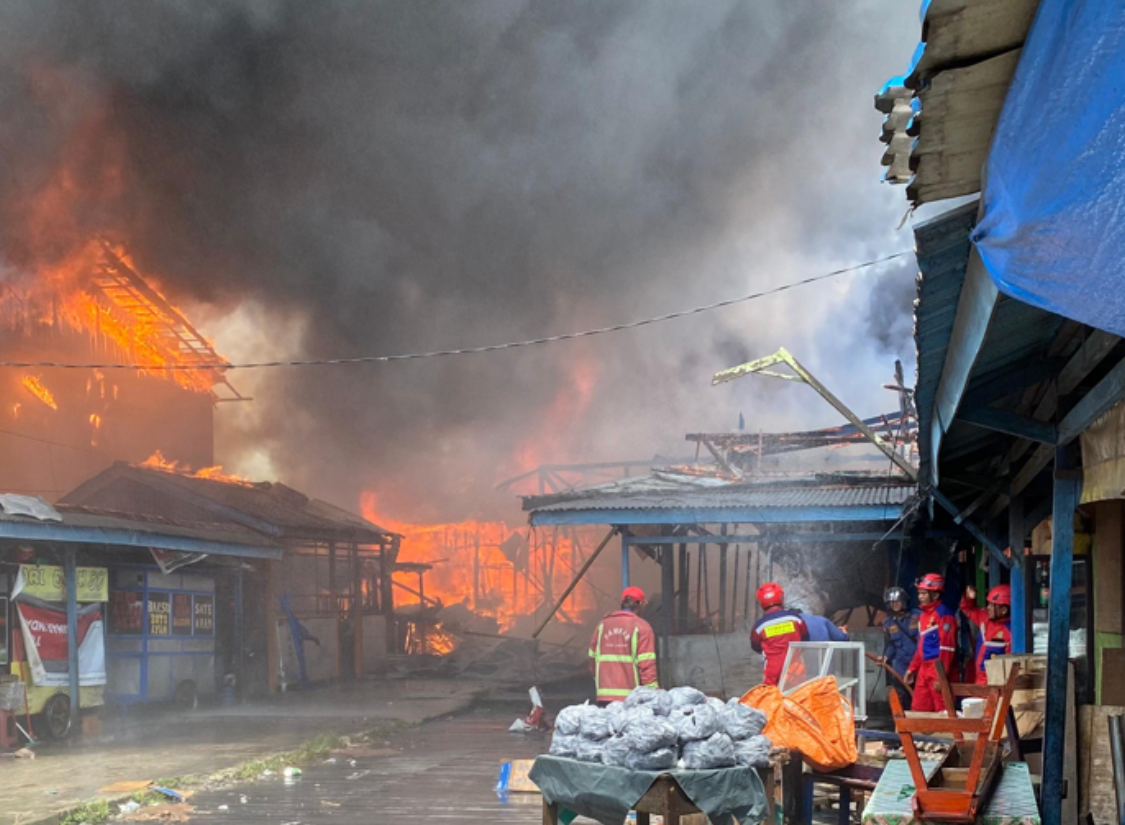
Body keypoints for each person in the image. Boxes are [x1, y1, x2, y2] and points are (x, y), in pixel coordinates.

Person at [588, 586, 658, 703]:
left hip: (603, 698)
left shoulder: (602, 626)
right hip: (630, 700)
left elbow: (592, 660)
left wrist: (601, 681)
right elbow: (646, 665)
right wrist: (653, 694)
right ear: (640, 604)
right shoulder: (642, 627)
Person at [905, 573, 958, 712]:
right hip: (924, 670)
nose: (920, 597)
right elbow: (920, 647)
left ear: (935, 595)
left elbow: (947, 649)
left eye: (923, 593)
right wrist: (912, 669)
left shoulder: (944, 614)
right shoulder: (923, 616)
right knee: (919, 708)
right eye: (919, 593)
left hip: (938, 669)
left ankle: (944, 735)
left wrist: (941, 676)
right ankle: (920, 734)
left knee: (942, 709)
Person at [751, 582, 809, 687]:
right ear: (781, 597)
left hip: (773, 670)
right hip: (795, 667)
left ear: (761, 602)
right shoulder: (795, 618)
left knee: (772, 698)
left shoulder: (759, 626)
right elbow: (805, 638)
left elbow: (756, 647)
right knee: (798, 695)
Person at [960, 584, 1012, 684]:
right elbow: (967, 609)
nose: (988, 607)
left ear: (1003, 610)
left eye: (992, 605)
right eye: (988, 604)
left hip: (995, 683)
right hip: (979, 679)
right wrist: (969, 598)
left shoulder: (1010, 632)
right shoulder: (985, 618)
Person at [880, 586, 920, 706]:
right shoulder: (888, 623)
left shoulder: (918, 616)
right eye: (892, 602)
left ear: (904, 601)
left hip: (918, 665)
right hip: (900, 667)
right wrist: (886, 657)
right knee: (902, 698)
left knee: (920, 698)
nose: (895, 605)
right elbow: (891, 644)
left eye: (897, 602)